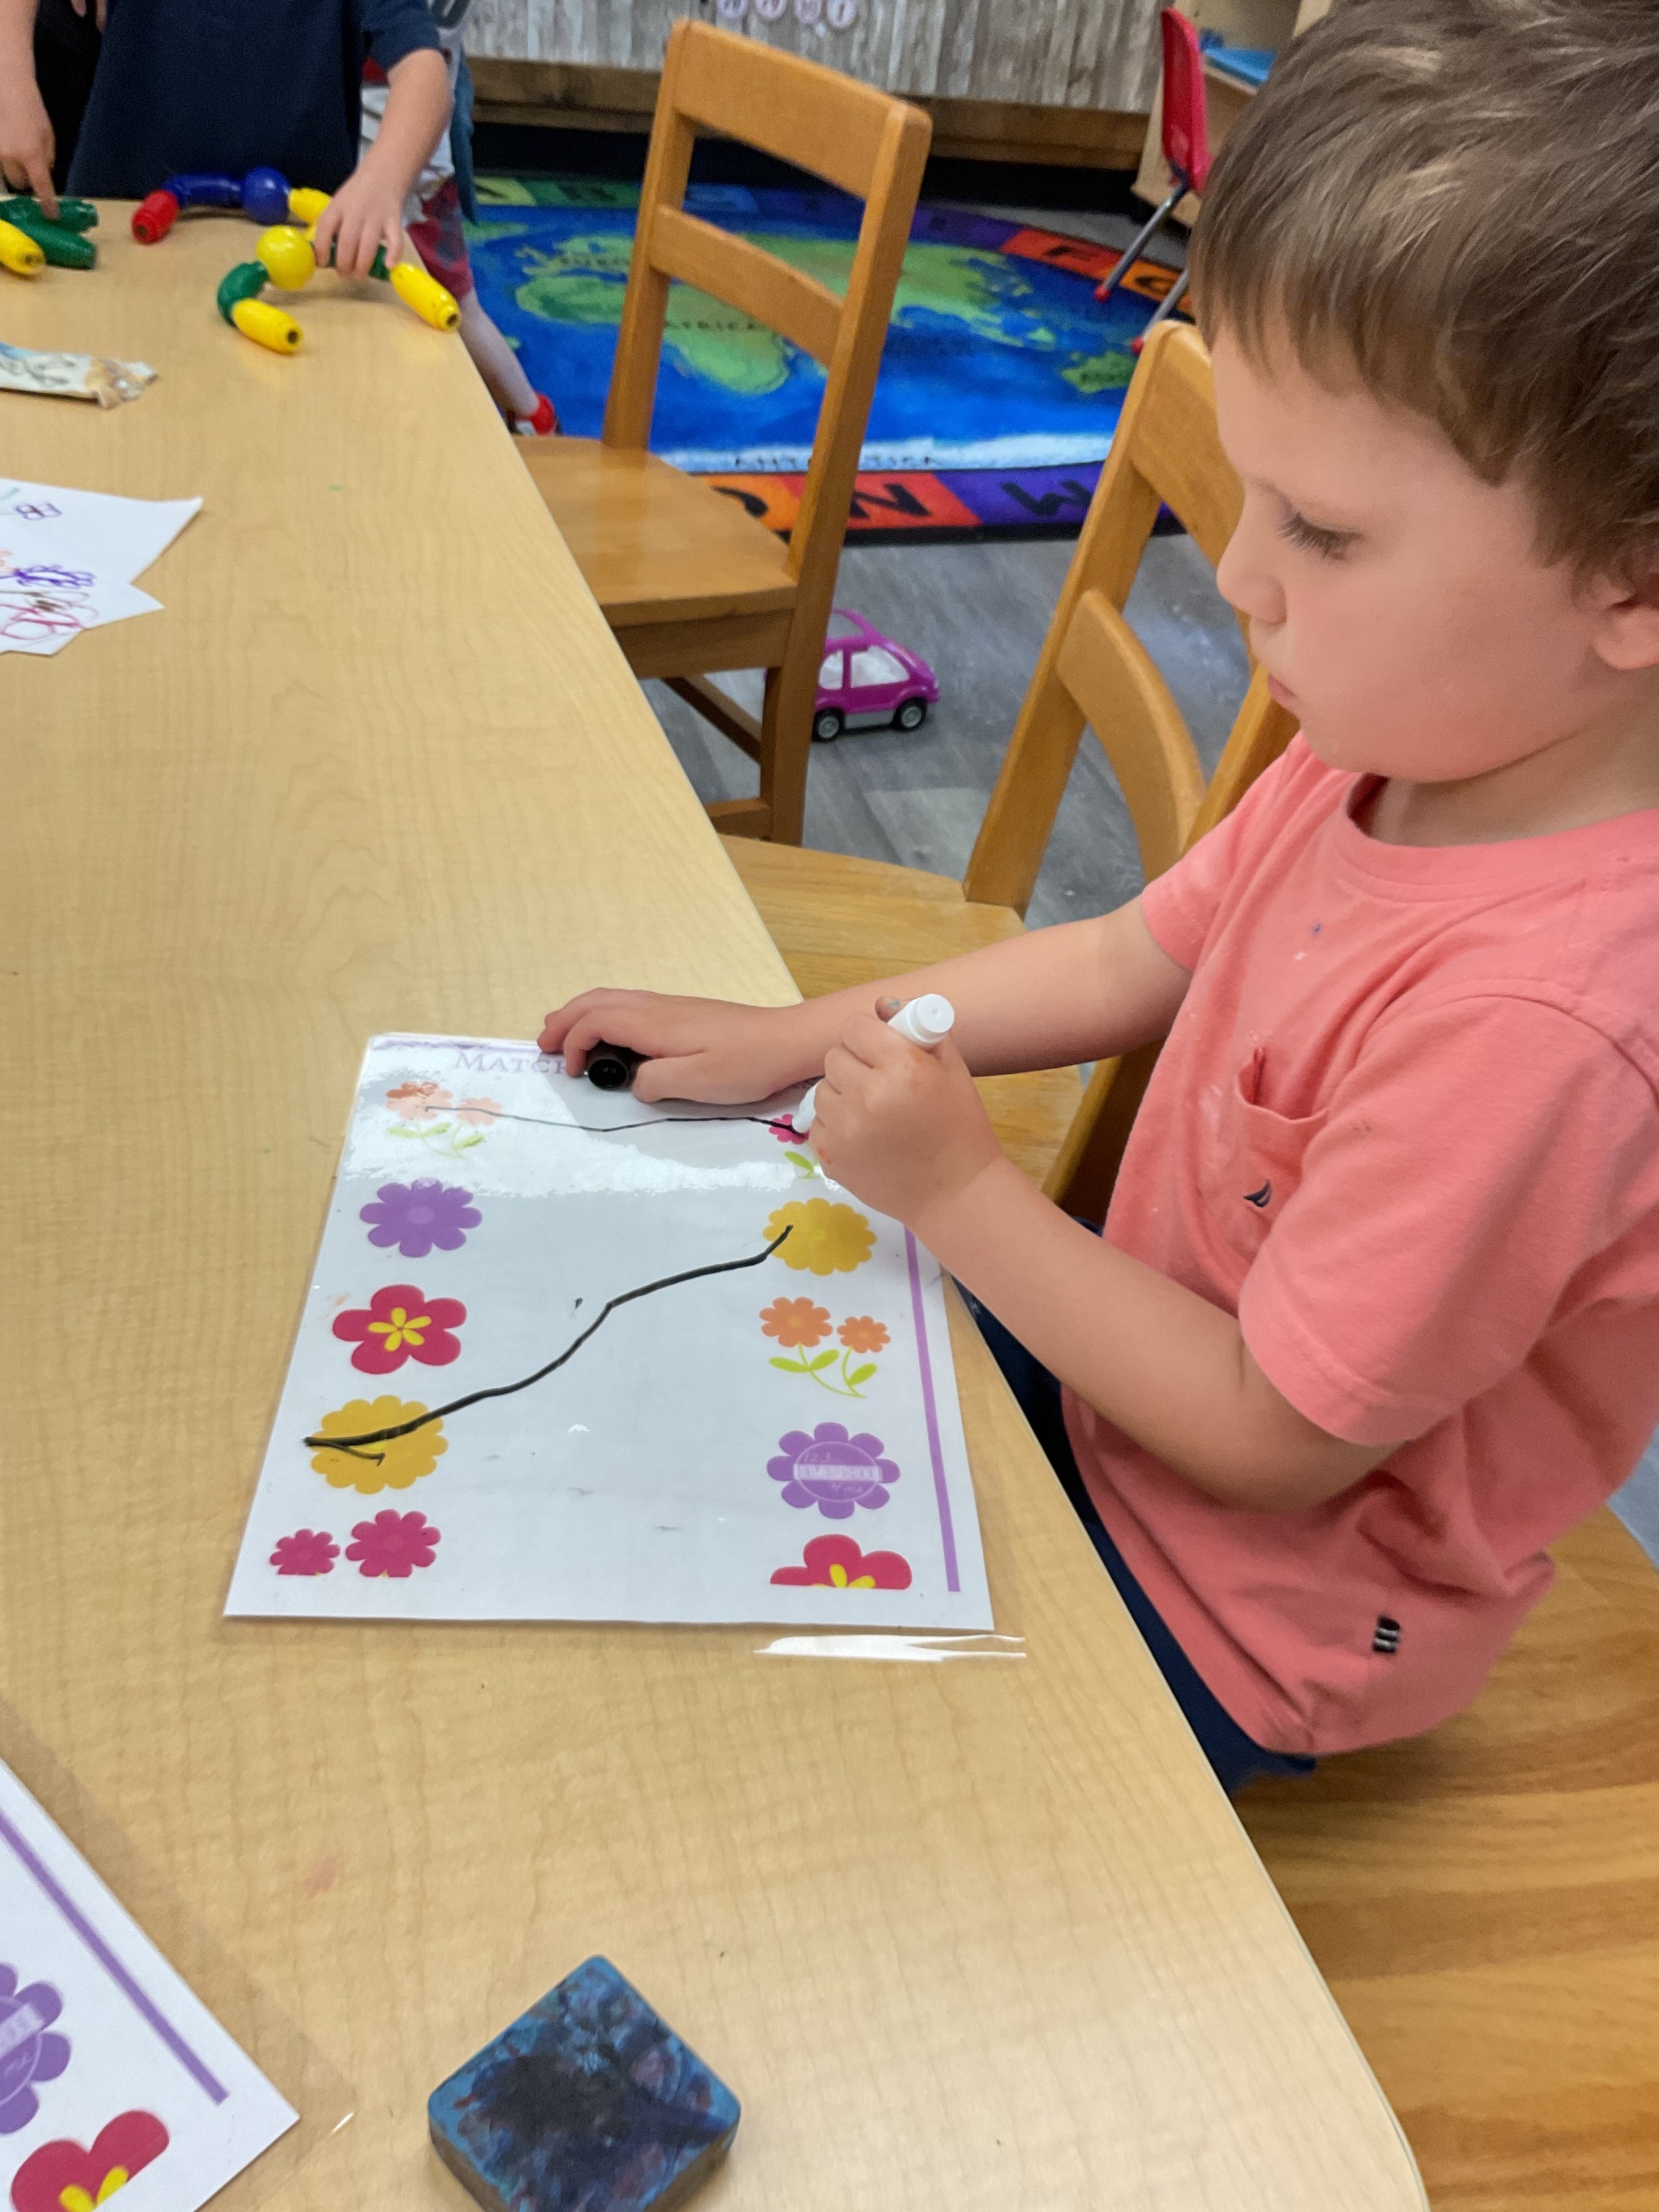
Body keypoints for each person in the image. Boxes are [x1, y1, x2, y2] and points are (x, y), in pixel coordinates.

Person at [538, 0, 1659, 1793]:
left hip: (1238, 1610)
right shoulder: (1404, 745)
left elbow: (1276, 1437)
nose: (1236, 574)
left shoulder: (1544, 1024)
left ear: (1632, 582)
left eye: (1321, 529)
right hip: (1108, 1390)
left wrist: (960, 1190)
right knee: (635, 1419)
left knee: (718, 1754)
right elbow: (1139, 950)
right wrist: (787, 1038)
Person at [0, 0, 451, 278]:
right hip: (121, 231)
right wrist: (11, 79)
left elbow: (424, 73)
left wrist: (383, 180)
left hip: (293, 251)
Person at [361, 0, 558, 435]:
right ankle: (532, 414)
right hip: (426, 161)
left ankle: (529, 414)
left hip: (390, 169)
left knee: (445, 306)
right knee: (459, 305)